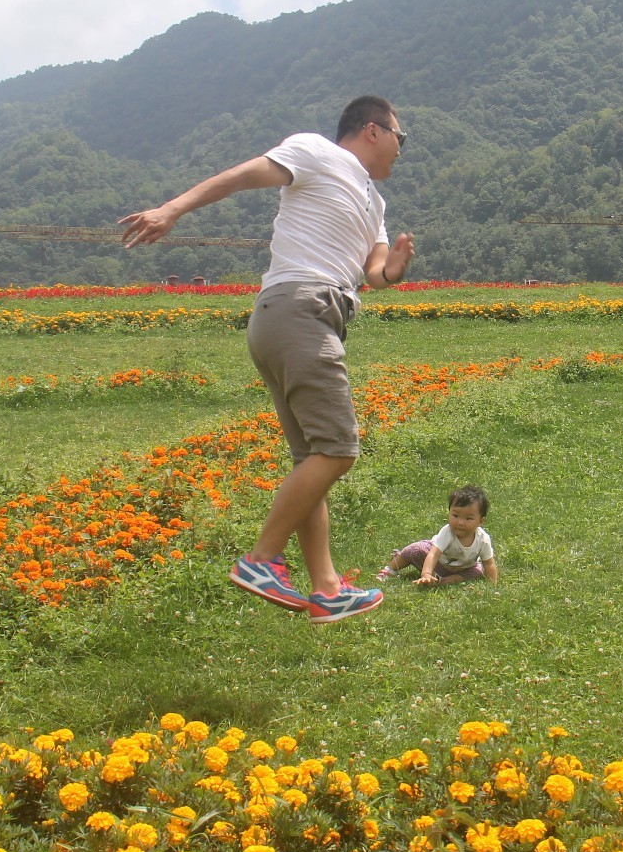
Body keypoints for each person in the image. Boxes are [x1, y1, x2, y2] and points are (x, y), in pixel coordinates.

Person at [120, 96, 415, 624]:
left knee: (312, 460)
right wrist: (171, 209)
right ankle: (261, 559)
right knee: (339, 449)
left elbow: (371, 271)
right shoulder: (317, 152)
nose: (403, 147)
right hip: (301, 306)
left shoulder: (374, 201)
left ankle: (325, 588)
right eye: (401, 135)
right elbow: (241, 175)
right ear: (372, 130)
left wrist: (390, 271)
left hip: (303, 315)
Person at [379, 484, 499, 586]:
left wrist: (493, 585)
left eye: (468, 518)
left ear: (481, 521)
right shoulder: (448, 532)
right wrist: (426, 574)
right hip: (438, 563)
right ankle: (391, 569)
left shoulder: (483, 539)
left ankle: (443, 581)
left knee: (478, 571)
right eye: (455, 516)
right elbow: (433, 554)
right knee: (414, 549)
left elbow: (489, 563)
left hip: (463, 567)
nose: (460, 522)